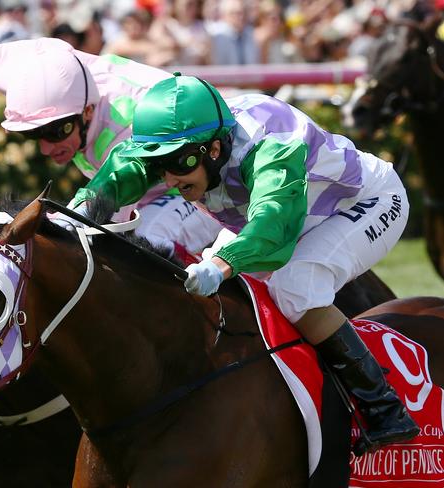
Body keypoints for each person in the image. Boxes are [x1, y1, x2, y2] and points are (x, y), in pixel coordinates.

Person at [67, 73, 420, 454]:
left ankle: (382, 406)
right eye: (159, 165)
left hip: (366, 202)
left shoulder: (271, 145)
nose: (169, 179)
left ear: (214, 149)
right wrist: (79, 208)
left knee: (294, 285)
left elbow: (273, 226)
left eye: (176, 163)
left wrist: (221, 263)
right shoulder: (186, 142)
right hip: (278, 211)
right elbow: (127, 168)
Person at [0, 37, 223, 261]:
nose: (49, 147)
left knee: (145, 241)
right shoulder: (34, 65)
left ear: (88, 111)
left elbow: (98, 217)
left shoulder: (129, 124)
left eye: (57, 130)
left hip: (203, 182)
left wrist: (16, 224)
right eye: (35, 135)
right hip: (141, 183)